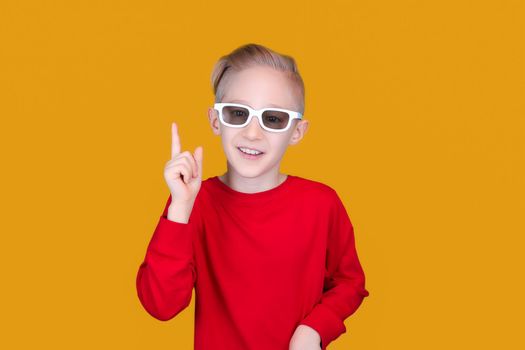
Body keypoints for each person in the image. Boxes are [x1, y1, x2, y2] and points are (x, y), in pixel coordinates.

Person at [136, 43, 369, 350]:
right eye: (238, 113)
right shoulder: (193, 203)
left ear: (297, 131)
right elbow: (161, 305)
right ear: (216, 121)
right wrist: (179, 207)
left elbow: (350, 283)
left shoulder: (321, 203)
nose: (252, 133)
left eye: (273, 119)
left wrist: (314, 328)